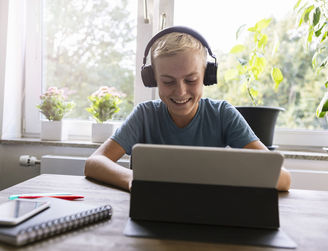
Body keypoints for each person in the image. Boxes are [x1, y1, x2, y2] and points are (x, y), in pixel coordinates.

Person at [84, 26, 291, 192]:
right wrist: (133, 179)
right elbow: (94, 163)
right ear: (153, 79)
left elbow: (282, 178)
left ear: (207, 76)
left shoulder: (222, 114)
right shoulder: (144, 115)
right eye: (168, 81)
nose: (180, 91)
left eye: (191, 79)